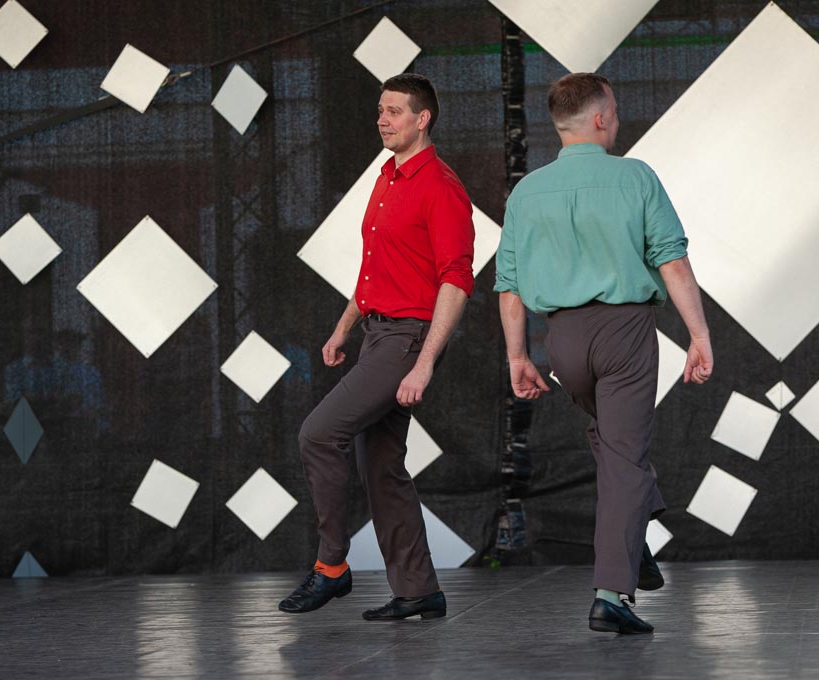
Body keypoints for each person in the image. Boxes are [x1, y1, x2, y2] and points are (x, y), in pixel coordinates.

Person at [494, 73, 714, 634]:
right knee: (623, 458)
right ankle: (611, 594)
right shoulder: (634, 176)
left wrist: (518, 357)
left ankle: (631, 540)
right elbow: (672, 261)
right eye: (613, 110)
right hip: (624, 334)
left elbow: (509, 285)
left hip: (562, 343)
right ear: (599, 118)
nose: (617, 119)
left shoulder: (526, 193)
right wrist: (699, 335)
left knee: (615, 449)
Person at [279, 73, 475, 621]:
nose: (382, 119)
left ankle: (331, 568)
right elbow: (377, 271)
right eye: (380, 110)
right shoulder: (387, 177)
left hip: (408, 339)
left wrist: (425, 362)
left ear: (422, 118)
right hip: (376, 334)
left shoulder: (440, 186)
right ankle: (418, 589)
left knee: (319, 433)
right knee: (380, 466)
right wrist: (344, 327)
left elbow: (457, 280)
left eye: (393, 111)